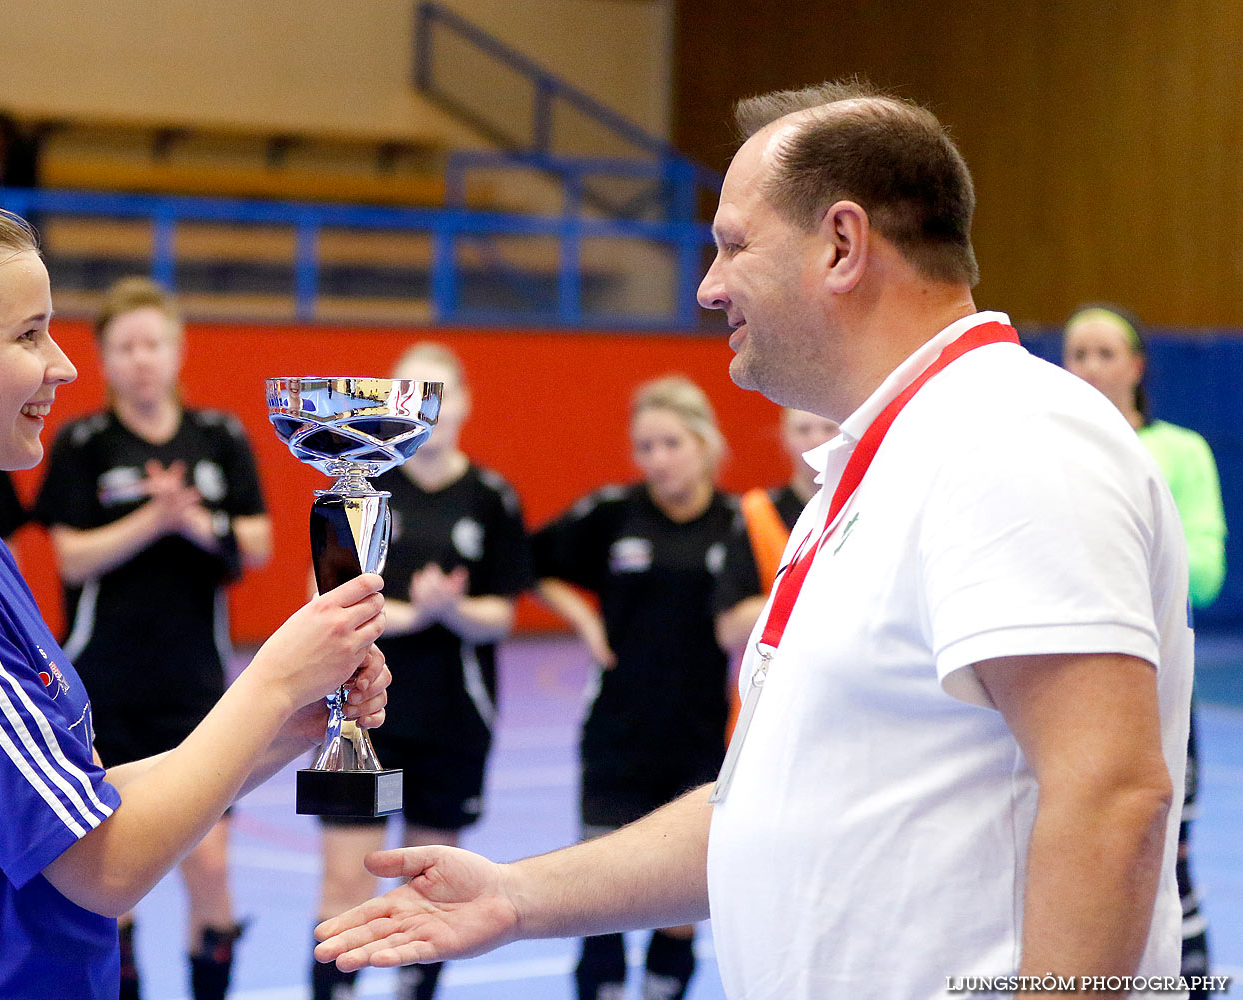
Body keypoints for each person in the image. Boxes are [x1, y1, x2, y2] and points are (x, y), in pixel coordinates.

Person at [314, 81, 1194, 999]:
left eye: (734, 245)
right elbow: (769, 806)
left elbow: (1111, 798)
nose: (708, 285)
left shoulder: (1010, 439)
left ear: (842, 247)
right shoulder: (870, 469)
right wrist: (519, 897)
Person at [0, 196, 390, 999]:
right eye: (27, 333)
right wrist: (269, 678)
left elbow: (83, 806)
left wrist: (294, 718)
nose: (64, 364)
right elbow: (104, 866)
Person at [33, 276, 273, 1000]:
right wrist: (155, 519)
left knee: (209, 868)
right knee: (115, 878)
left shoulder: (220, 438)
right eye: (125, 346)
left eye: (153, 344)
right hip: (100, 688)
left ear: (177, 351)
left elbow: (256, 543)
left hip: (196, 687)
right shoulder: (82, 442)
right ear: (104, 357)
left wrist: (195, 520)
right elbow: (70, 555)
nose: (141, 359)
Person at [310, 342, 531, 1000]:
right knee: (345, 884)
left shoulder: (491, 497)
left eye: (436, 391)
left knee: (428, 889)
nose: (423, 407)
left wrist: (454, 608)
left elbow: (503, 614)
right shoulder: (360, 488)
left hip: (454, 720)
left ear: (463, 401)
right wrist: (405, 614)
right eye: (404, 393)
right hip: (359, 718)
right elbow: (322, 595)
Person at [532, 374, 748, 1000]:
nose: (657, 459)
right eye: (645, 446)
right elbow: (527, 561)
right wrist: (584, 617)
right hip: (617, 735)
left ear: (706, 443)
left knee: (679, 901)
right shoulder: (610, 513)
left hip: (701, 735)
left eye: (671, 443)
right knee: (598, 891)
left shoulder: (739, 523)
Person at [1064, 304, 1227, 999]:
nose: (1092, 366)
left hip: (1156, 684)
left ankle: (1187, 986)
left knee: (1166, 853)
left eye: (1106, 352)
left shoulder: (1181, 451)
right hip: (1066, 687)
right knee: (1071, 850)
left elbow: (1208, 576)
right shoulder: (1046, 451)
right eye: (1078, 353)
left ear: (1137, 365)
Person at [713, 407, 839, 659]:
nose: (816, 439)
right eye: (803, 429)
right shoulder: (755, 511)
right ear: (785, 437)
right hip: (768, 683)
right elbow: (729, 630)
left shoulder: (867, 506)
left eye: (829, 428)